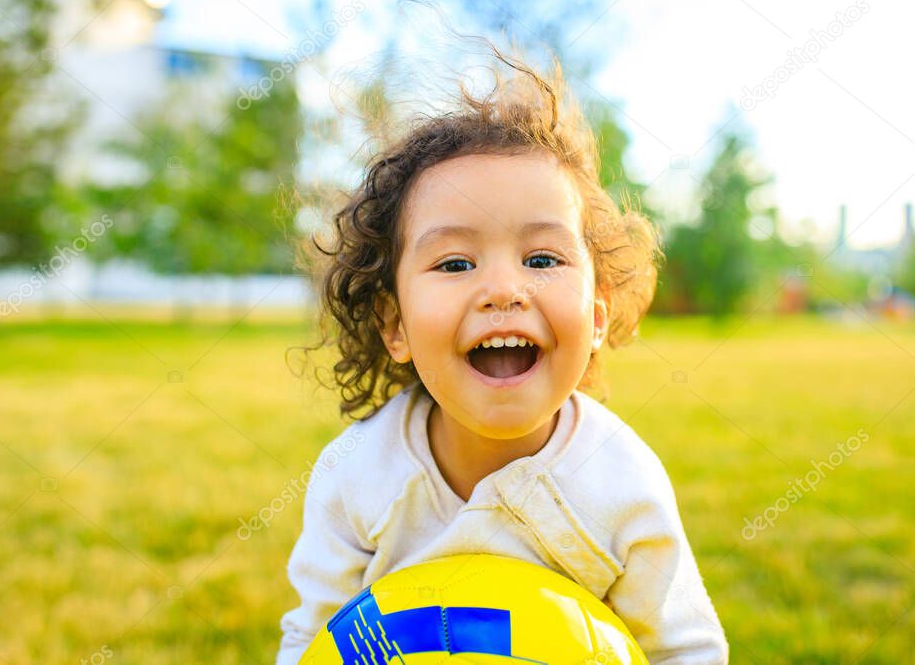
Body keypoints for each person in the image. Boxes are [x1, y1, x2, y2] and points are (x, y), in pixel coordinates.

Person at [276, 39, 729, 664]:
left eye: (542, 258)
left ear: (596, 320)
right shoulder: (356, 476)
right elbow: (315, 639)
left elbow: (686, 650)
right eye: (455, 262)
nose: (502, 290)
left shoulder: (621, 485)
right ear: (395, 325)